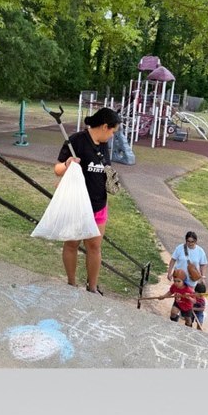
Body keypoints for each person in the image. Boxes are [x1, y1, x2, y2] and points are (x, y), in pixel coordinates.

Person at [53, 107, 121, 294]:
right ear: (105, 126)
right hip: (76, 205)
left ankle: (92, 288)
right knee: (72, 244)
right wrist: (67, 165)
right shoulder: (76, 141)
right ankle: (71, 284)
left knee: (94, 247)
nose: (112, 136)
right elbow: (57, 169)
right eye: (112, 132)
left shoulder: (103, 144)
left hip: (98, 205)